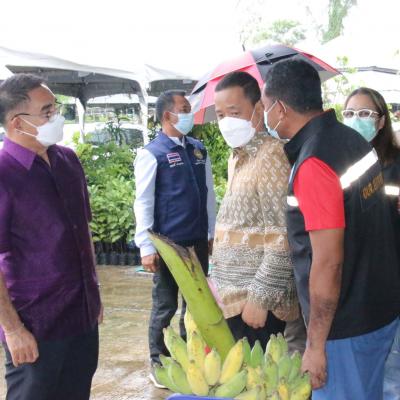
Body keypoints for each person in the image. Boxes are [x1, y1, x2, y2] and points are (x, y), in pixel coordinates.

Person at [261, 59, 400, 399]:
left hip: (345, 329)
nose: (264, 116)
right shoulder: (353, 141)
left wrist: (315, 346)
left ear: (280, 109)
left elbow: (328, 262)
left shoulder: (314, 162)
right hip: (379, 309)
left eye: (265, 107)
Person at [0, 74, 102, 400]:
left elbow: (82, 232)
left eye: (55, 109)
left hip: (81, 315)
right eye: (47, 112)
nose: (56, 118)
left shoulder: (67, 160)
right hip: (36, 324)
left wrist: (94, 296)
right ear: (17, 123)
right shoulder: (4, 174)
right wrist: (13, 330)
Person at [210, 71, 300, 349]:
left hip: (257, 303)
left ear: (258, 110)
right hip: (233, 297)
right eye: (220, 115)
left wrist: (261, 298)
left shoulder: (271, 155)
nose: (226, 121)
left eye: (234, 112)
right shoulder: (238, 157)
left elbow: (282, 234)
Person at [134, 90, 216, 386]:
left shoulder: (198, 149)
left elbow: (209, 193)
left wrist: (211, 232)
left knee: (195, 304)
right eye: (184, 109)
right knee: (165, 305)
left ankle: (187, 358)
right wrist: (146, 246)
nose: (189, 114)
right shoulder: (152, 153)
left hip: (198, 240)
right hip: (169, 245)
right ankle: (158, 361)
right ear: (167, 115)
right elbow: (143, 201)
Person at [343, 87, 400, 400]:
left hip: (392, 279)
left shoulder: (394, 164)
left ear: (381, 121)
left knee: (391, 373)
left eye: (365, 113)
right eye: (350, 113)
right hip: (358, 282)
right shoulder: (342, 163)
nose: (357, 119)